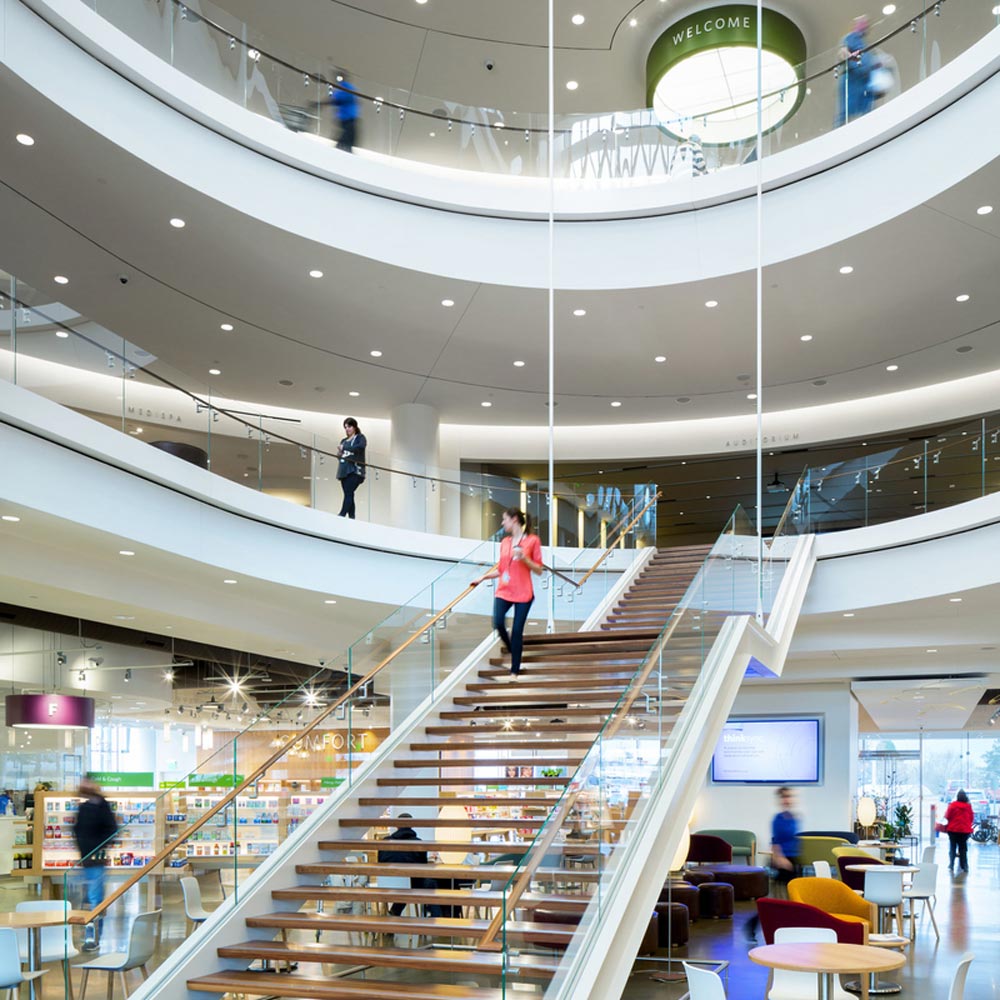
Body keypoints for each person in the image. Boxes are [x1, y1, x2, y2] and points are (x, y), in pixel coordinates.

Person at [471, 508, 543, 680]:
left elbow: (539, 569)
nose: (502, 523)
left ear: (515, 519)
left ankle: (514, 671)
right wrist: (484, 577)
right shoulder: (504, 542)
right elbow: (503, 568)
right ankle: (513, 650)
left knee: (517, 630)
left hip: (524, 592)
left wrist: (525, 558)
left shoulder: (533, 540)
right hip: (504, 590)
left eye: (505, 519)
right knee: (498, 622)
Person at [745, 786, 801, 942]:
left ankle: (788, 931)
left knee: (791, 901)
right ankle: (752, 926)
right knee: (777, 902)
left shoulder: (794, 818)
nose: (788, 799)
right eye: (785, 797)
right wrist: (781, 860)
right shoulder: (778, 820)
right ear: (780, 799)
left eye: (790, 796)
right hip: (782, 862)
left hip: (794, 861)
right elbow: (775, 843)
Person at [74, 778, 118, 951]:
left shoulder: (102, 806)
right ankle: (90, 934)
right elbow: (77, 831)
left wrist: (98, 848)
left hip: (96, 859)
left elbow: (111, 830)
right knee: (88, 899)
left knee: (94, 899)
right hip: (86, 859)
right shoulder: (85, 807)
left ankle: (93, 938)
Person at [377, 815, 443, 918]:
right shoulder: (417, 843)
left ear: (396, 825)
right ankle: (437, 917)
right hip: (408, 884)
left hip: (386, 884)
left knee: (405, 884)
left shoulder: (385, 842)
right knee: (429, 883)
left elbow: (380, 862)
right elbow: (423, 868)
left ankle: (394, 912)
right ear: (412, 825)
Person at [835, 16, 876, 127]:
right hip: (852, 79)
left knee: (867, 110)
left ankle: (868, 130)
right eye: (862, 22)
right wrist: (847, 55)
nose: (864, 25)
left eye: (865, 23)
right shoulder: (850, 37)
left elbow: (868, 62)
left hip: (864, 81)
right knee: (844, 111)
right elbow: (842, 52)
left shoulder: (864, 43)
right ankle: (837, 136)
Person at [336, 417, 367, 519]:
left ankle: (342, 514)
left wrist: (344, 448)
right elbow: (340, 455)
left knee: (348, 493)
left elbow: (360, 448)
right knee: (349, 494)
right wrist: (339, 453)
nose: (347, 429)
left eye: (349, 426)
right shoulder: (344, 440)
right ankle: (352, 517)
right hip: (344, 470)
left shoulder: (360, 437)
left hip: (355, 470)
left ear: (354, 427)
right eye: (345, 427)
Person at [944, 789, 973, 874]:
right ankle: (964, 865)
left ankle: (951, 865)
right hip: (964, 831)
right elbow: (971, 818)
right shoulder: (968, 806)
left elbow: (947, 816)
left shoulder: (952, 805)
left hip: (953, 830)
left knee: (952, 847)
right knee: (963, 848)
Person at [330, 70, 360, 152]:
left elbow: (337, 101)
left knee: (345, 143)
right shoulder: (340, 89)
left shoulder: (346, 87)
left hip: (349, 121)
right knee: (345, 144)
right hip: (346, 122)